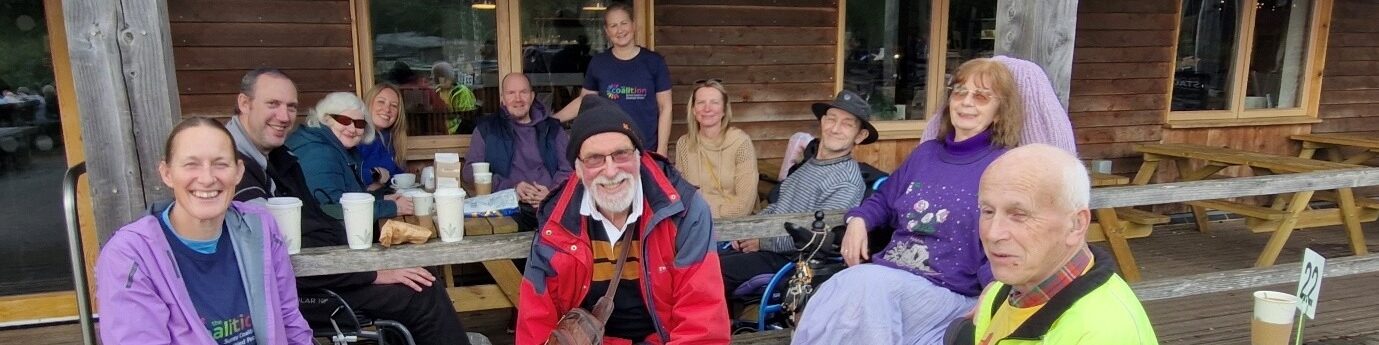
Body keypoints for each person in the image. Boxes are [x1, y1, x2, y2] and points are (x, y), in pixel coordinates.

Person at [793, 57, 1072, 345]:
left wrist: (996, 288)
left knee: (863, 285)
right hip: (892, 280)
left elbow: (1007, 237)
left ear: (999, 112)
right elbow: (885, 200)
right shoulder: (925, 154)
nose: (966, 103)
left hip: (948, 292)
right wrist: (858, 220)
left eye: (981, 96)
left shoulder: (1004, 167)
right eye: (960, 92)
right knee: (836, 288)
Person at [226, 68, 470, 345]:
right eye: (273, 104)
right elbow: (272, 259)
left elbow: (316, 223)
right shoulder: (233, 168)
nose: (284, 117)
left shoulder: (280, 156)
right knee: (422, 291)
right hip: (301, 291)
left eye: (291, 107)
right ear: (244, 104)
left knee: (419, 272)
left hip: (322, 270)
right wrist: (372, 272)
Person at [517, 95, 730, 344]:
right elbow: (535, 323)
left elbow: (702, 322)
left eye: (621, 154)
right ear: (578, 168)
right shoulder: (556, 222)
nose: (610, 170)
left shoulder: (685, 212)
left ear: (639, 157)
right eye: (595, 158)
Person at [96, 117, 312, 344]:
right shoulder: (130, 256)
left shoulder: (260, 227)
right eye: (191, 164)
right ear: (167, 173)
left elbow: (290, 321)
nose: (207, 178)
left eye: (221, 164)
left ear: (238, 172)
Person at [967, 144, 1157, 344]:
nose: (993, 233)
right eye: (987, 211)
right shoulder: (1003, 292)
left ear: (1076, 225)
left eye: (1019, 215)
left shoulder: (1101, 332)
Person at [718, 90, 875, 298]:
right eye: (831, 119)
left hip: (791, 263)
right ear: (822, 121)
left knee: (706, 272)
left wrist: (761, 240)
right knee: (697, 261)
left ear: (860, 135)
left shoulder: (846, 181)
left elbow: (813, 239)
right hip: (769, 248)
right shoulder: (808, 165)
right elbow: (780, 206)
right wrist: (750, 229)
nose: (835, 128)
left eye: (847, 124)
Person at [554, 1, 673, 155]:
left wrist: (661, 150)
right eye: (613, 25)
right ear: (606, 31)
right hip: (611, 151)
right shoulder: (599, 63)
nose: (620, 30)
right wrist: (554, 119)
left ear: (633, 25)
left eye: (624, 23)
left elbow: (665, 107)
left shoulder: (654, 62)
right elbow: (585, 101)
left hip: (647, 150)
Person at [464, 73, 573, 231]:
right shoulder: (486, 129)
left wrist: (551, 194)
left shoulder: (553, 128)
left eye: (523, 92)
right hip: (507, 210)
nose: (518, 99)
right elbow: (469, 172)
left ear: (532, 96)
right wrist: (511, 188)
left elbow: (569, 170)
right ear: (502, 98)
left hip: (551, 209)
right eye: (511, 93)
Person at [286, 92, 414, 220]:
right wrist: (392, 208)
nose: (352, 129)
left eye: (359, 124)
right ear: (326, 119)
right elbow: (331, 210)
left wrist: (382, 199)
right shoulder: (318, 152)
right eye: (345, 120)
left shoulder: (341, 148)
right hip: (326, 237)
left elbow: (348, 197)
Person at [674, 79, 758, 218]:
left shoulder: (741, 143)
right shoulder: (684, 144)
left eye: (714, 102)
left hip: (734, 224)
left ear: (724, 109)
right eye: (701, 103)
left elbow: (745, 204)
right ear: (693, 110)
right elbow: (683, 195)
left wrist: (711, 212)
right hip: (697, 224)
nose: (707, 108)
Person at [356, 83, 411, 188]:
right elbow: (346, 174)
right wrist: (375, 174)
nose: (387, 109)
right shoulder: (355, 135)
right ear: (368, 104)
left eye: (394, 105)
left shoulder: (392, 140)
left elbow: (398, 177)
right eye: (381, 102)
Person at [432, 61, 479, 134]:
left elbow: (467, 117)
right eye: (440, 76)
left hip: (459, 132)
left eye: (446, 76)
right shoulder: (437, 92)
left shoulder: (461, 91)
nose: (444, 79)